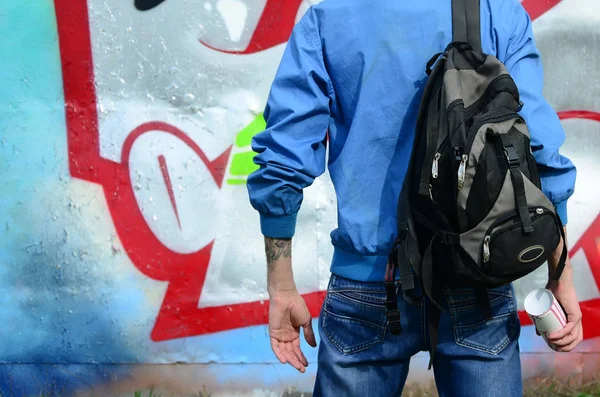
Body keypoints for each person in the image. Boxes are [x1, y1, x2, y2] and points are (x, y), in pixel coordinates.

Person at [246, 0, 582, 395]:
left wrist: (281, 287)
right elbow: (538, 152)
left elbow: (283, 163)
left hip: (368, 279)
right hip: (476, 267)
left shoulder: (330, 17)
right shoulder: (496, 12)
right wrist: (560, 275)